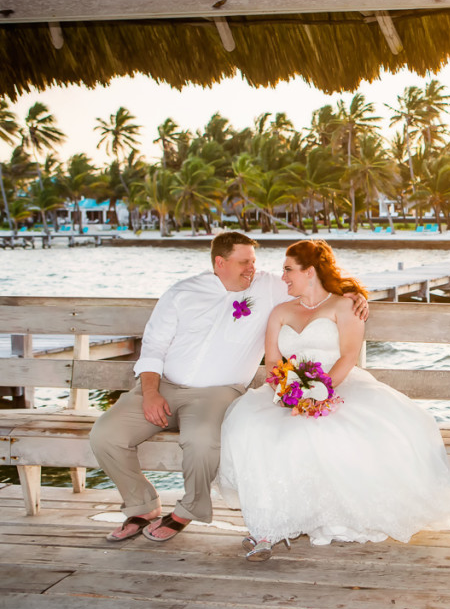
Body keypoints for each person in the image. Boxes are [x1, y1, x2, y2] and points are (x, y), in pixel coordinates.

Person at [89, 232, 368, 543]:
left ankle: (189, 509)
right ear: (220, 263)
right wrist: (151, 392)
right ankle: (142, 505)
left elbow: (316, 280)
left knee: (201, 441)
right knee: (105, 436)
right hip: (162, 385)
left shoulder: (270, 287)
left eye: (254, 261)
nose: (252, 268)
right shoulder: (182, 293)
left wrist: (355, 295)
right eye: (244, 262)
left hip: (216, 393)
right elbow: (153, 347)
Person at [217, 239, 450, 561]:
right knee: (252, 429)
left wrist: (320, 391)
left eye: (288, 270)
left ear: (310, 271)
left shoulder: (345, 306)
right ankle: (267, 527)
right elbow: (273, 361)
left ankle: (294, 522)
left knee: (320, 432)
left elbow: (348, 356)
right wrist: (291, 391)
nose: (284, 277)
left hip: (339, 386)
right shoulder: (280, 312)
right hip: (287, 391)